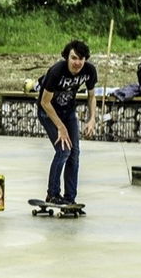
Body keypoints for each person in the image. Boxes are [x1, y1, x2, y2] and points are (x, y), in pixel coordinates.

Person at [36, 38, 98, 206]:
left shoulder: (90, 71)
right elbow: (44, 102)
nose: (77, 63)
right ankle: (53, 194)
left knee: (74, 153)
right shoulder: (57, 71)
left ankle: (70, 197)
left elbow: (92, 97)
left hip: (68, 112)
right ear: (67, 57)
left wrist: (92, 119)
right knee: (64, 150)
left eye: (81, 59)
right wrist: (60, 127)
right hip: (48, 112)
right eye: (73, 58)